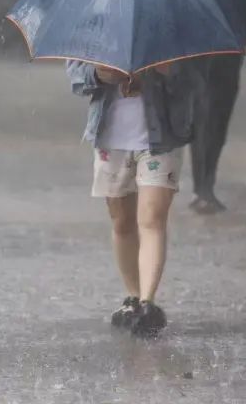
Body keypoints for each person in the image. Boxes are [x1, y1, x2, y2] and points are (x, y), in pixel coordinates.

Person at [67, 59, 200, 338]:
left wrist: (163, 71)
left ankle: (148, 303)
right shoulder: (97, 26)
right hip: (110, 140)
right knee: (122, 223)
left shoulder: (170, 25)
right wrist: (100, 75)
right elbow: (76, 78)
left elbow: (196, 80)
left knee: (152, 218)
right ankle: (133, 296)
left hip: (161, 139)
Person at [188, 0, 246, 215]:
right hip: (199, 57)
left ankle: (205, 183)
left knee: (217, 121)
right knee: (202, 119)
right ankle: (203, 187)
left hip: (228, 56)